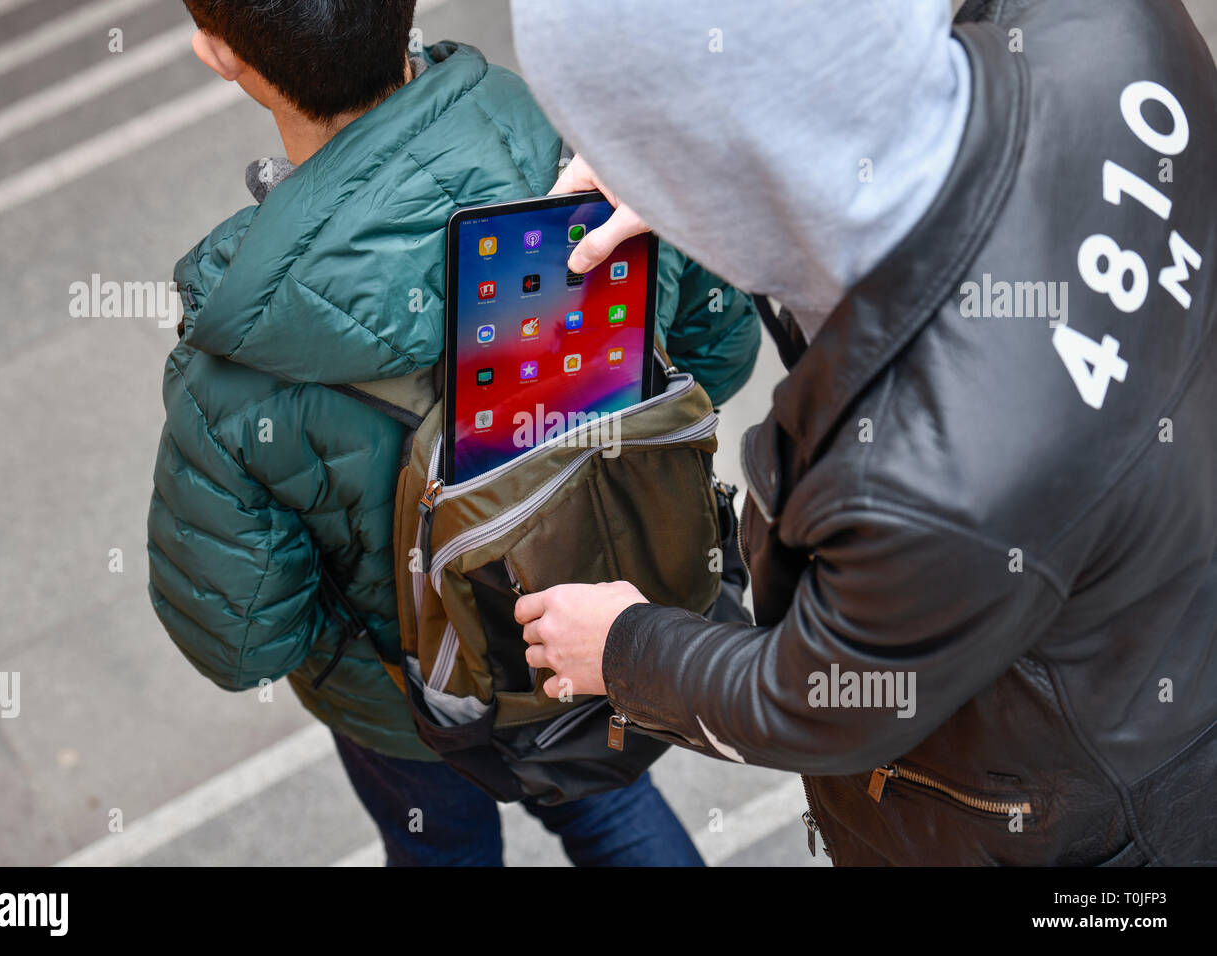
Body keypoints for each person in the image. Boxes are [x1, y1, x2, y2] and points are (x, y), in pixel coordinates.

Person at [512, 0, 1217, 864]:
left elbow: (813, 701)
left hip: (1090, 818)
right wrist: (707, 185)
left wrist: (628, 650)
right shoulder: (1109, 23)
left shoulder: (925, 489)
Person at [145, 0, 761, 866]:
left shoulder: (228, 376)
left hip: (412, 711)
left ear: (219, 53)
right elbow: (720, 355)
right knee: (613, 811)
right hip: (596, 623)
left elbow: (241, 642)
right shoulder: (591, 165)